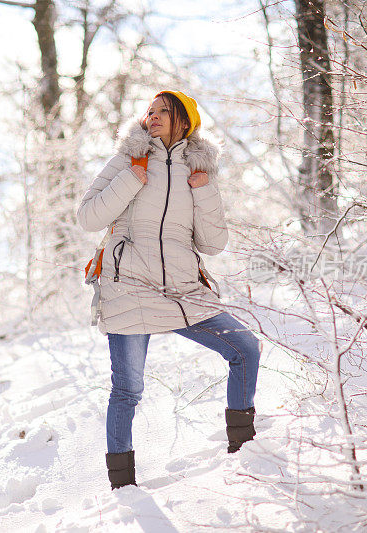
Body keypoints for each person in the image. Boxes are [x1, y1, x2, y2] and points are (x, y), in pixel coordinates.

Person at [77, 90, 261, 490]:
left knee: (245, 348)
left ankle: (245, 453)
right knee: (127, 389)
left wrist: (204, 189)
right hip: (129, 286)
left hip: (182, 290)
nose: (153, 117)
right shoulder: (129, 159)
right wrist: (130, 179)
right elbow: (88, 216)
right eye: (150, 111)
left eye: (164, 111)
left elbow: (213, 244)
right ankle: (123, 489)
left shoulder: (197, 171)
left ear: (185, 121)